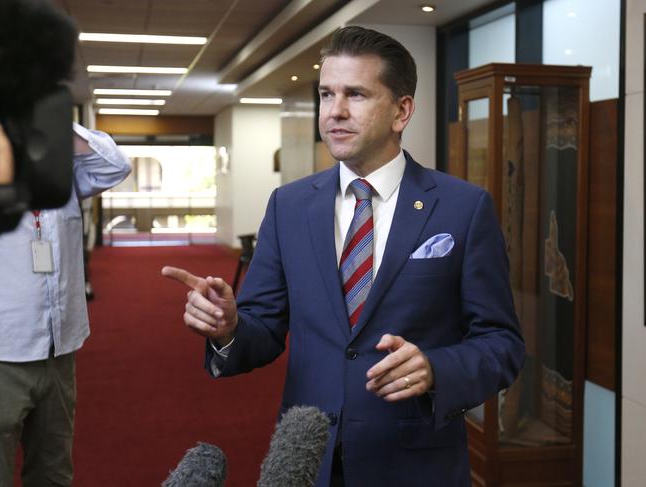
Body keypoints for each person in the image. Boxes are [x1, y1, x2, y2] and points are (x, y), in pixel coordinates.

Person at [162, 26, 524, 486]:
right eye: (326, 94)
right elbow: (265, 327)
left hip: (415, 464)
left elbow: (502, 343)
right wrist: (230, 327)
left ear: (402, 110)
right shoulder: (289, 206)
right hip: (309, 461)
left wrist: (436, 369)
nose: (335, 111)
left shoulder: (463, 208)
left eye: (355, 94)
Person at [0, 123, 131, 486]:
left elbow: (116, 165)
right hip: (3, 352)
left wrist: (51, 122)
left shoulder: (62, 170)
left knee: (54, 472)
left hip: (59, 348)